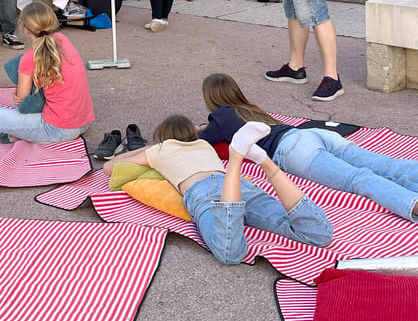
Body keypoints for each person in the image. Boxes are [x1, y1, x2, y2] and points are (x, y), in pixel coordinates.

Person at [198, 73, 418, 224]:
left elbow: (197, 143)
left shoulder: (222, 116)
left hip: (293, 151)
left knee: (360, 180)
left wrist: (202, 127)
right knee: (390, 165)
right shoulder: (247, 109)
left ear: (212, 100)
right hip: (312, 134)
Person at [103, 114, 333, 265]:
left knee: (229, 253)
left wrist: (145, 148)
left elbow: (110, 167)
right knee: (317, 234)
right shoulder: (203, 144)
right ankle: (264, 162)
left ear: (162, 137)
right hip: (238, 185)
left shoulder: (160, 149)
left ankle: (235, 160)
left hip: (203, 192)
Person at [0, 0, 94, 143]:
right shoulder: (62, 39)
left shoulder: (28, 58)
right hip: (84, 122)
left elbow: (22, 101)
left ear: (26, 30)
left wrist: (19, 95)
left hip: (58, 128)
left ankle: (24, 133)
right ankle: (24, 132)